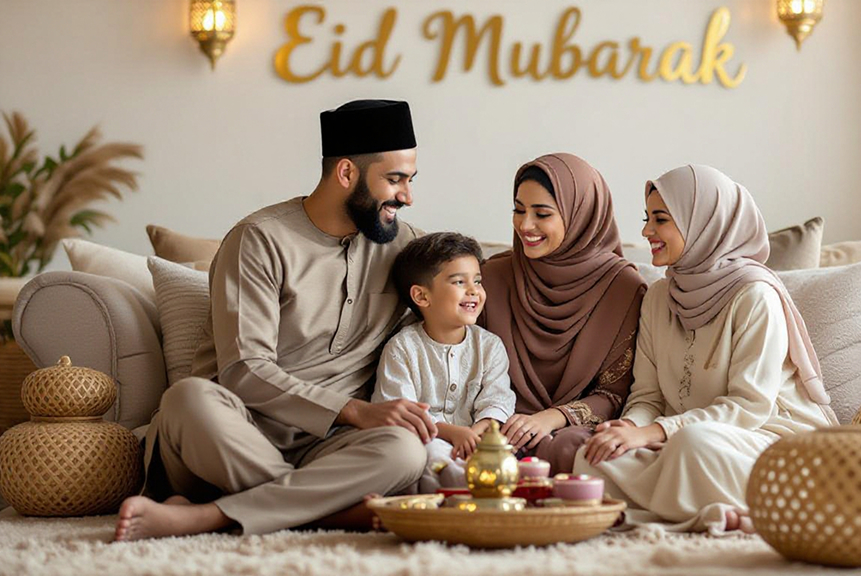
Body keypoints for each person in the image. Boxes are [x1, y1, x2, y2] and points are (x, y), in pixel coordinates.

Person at [116, 99, 436, 541]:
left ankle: (210, 516)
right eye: (395, 180)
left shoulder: (404, 245)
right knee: (189, 399)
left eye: (410, 180)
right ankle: (329, 512)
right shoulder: (260, 239)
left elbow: (452, 305)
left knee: (404, 451)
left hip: (327, 449)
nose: (407, 196)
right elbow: (243, 371)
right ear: (346, 173)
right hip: (234, 431)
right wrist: (356, 411)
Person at [575, 164, 839, 534]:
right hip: (684, 437)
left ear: (703, 223)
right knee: (591, 458)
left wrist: (654, 434)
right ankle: (724, 514)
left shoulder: (755, 295)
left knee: (692, 446)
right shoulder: (657, 297)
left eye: (661, 219)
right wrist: (628, 428)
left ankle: (694, 515)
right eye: (647, 218)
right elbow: (648, 395)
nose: (646, 231)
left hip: (769, 440)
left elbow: (749, 407)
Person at [480, 153, 647, 475]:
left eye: (542, 214)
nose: (525, 226)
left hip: (572, 430)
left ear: (581, 216)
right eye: (518, 210)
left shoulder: (624, 288)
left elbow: (614, 393)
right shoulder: (491, 277)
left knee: (572, 447)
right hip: (495, 423)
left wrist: (550, 418)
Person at [372, 232, 515, 493]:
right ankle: (456, 498)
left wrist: (478, 433)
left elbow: (497, 399)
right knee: (433, 456)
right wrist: (452, 433)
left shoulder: (489, 346)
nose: (474, 291)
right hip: (427, 437)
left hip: (480, 436)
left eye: (478, 281)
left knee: (503, 456)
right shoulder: (402, 348)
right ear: (422, 297)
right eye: (460, 281)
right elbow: (401, 410)